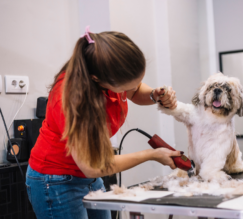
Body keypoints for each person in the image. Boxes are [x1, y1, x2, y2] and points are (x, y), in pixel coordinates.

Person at [25, 27, 181, 219]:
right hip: (56, 180)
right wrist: (151, 155)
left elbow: (134, 90)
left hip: (89, 177)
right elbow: (91, 165)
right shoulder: (71, 98)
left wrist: (153, 95)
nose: (133, 88)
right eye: (128, 86)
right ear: (97, 79)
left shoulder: (104, 69)